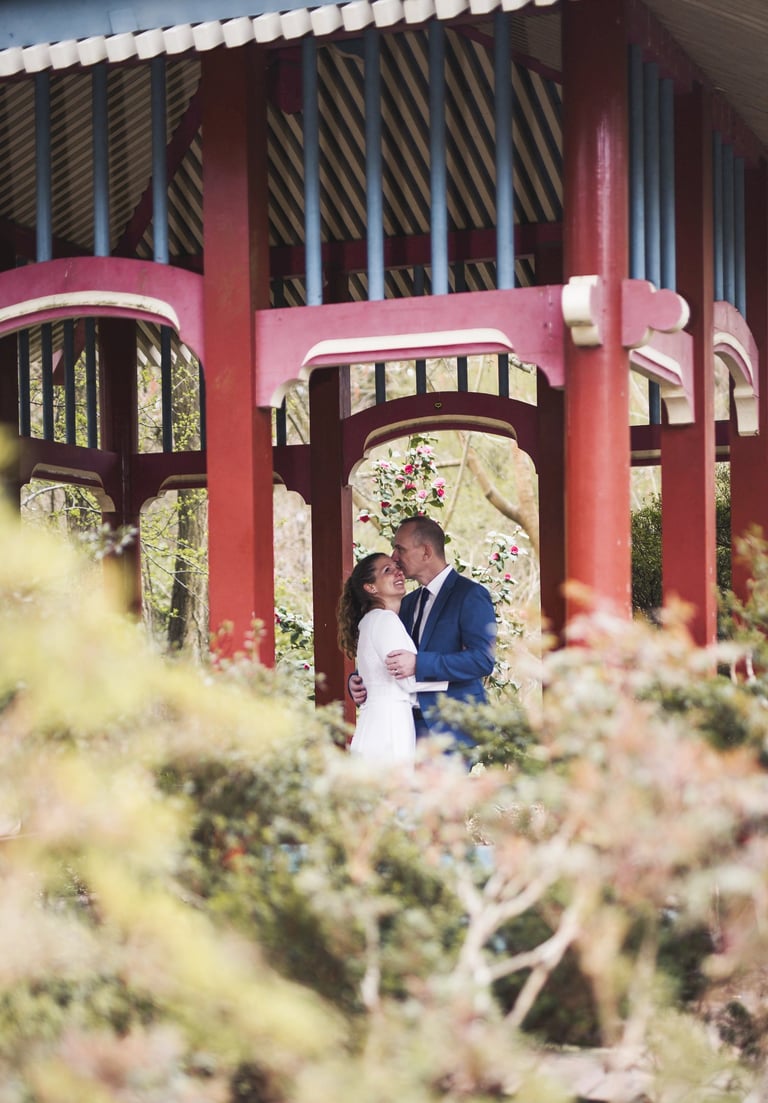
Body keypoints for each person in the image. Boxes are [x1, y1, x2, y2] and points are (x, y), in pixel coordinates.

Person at [349, 515, 497, 748]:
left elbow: (482, 660)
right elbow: (391, 654)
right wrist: (358, 681)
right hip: (407, 725)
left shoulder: (469, 595)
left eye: (400, 549)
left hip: (453, 728)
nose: (395, 558)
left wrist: (420, 664)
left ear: (426, 552)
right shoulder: (406, 602)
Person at [337, 552, 447, 765]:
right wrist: (452, 679)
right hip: (390, 724)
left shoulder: (371, 621)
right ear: (371, 588)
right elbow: (407, 680)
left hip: (376, 721)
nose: (398, 571)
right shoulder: (386, 620)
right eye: (387, 570)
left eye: (396, 566)